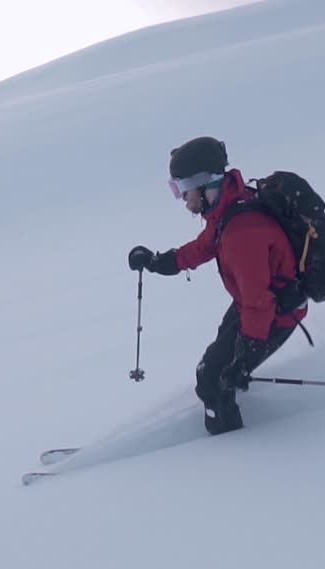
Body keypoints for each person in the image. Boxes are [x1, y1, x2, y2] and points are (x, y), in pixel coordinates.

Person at [128, 136, 307, 435]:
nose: (182, 198)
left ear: (203, 183)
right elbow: (203, 247)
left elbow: (258, 302)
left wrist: (245, 356)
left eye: (182, 188)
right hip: (259, 302)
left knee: (212, 376)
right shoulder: (227, 209)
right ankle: (225, 418)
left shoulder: (242, 231)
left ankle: (229, 442)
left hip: (276, 310)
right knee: (219, 359)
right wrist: (158, 262)